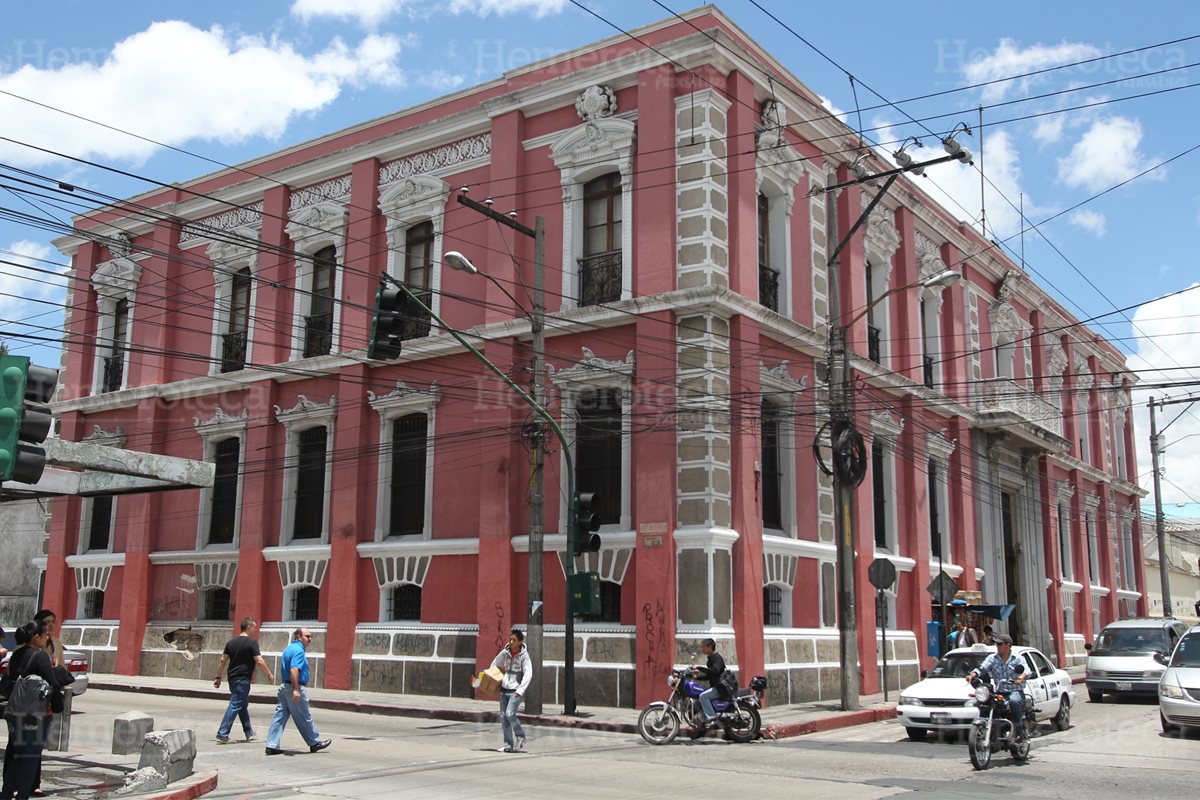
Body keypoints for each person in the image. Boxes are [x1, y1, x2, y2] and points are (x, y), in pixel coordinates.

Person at [1, 621, 70, 800]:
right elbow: (53, 684)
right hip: (35, 714)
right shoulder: (40, 656)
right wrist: (59, 705)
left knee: (17, 755)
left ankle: (7, 793)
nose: (47, 637)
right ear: (35, 637)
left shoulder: (16, 654)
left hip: (16, 711)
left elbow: (8, 681)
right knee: (30, 756)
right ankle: (23, 795)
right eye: (45, 634)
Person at [264, 628, 330, 755]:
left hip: (284, 687)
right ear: (299, 636)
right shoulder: (299, 651)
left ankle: (272, 745)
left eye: (311, 636)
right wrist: (296, 689)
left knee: (280, 716)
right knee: (304, 716)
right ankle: (314, 742)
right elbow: (294, 670)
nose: (310, 639)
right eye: (307, 636)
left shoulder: (288, 648)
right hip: (294, 687)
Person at [212, 617, 275, 744]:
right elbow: (259, 660)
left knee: (241, 704)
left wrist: (218, 677)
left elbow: (222, 661)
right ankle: (222, 733)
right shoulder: (252, 643)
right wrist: (269, 673)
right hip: (243, 679)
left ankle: (248, 731)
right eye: (254, 627)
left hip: (232, 678)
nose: (255, 630)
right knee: (236, 704)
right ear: (248, 627)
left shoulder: (231, 643)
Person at [966, 634, 1028, 741]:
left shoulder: (1018, 658)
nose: (997, 646)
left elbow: (1026, 670)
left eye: (1000, 644)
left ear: (1008, 645)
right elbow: (982, 667)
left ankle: (1017, 732)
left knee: (1014, 701)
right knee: (985, 702)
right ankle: (985, 729)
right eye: (996, 644)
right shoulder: (992, 658)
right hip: (1000, 692)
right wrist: (973, 675)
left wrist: (1020, 678)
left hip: (1015, 691)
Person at [490, 629, 531, 753]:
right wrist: (492, 677)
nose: (511, 642)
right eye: (510, 639)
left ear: (520, 642)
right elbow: (495, 664)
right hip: (504, 689)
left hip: (515, 691)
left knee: (509, 714)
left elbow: (528, 674)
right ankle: (508, 745)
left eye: (514, 640)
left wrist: (521, 690)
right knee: (504, 717)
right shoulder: (505, 653)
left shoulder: (524, 656)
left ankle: (520, 735)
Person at [691, 638, 727, 727]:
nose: (702, 649)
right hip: (716, 687)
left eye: (704, 647)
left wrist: (699, 668)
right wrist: (696, 677)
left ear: (710, 647)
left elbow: (715, 671)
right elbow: (710, 675)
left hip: (720, 687)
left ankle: (712, 719)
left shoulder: (716, 657)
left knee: (703, 696)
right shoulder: (710, 659)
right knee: (701, 694)